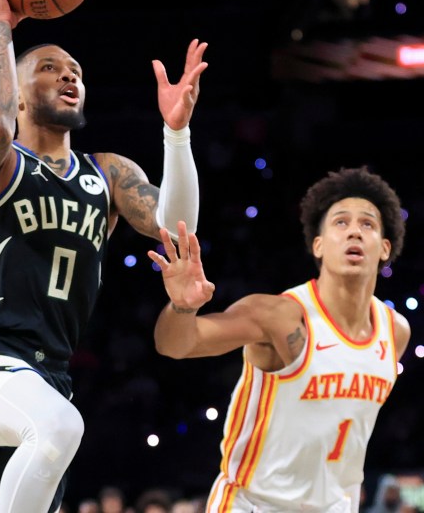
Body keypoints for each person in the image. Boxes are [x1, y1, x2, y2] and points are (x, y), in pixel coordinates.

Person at [0, 0, 208, 513]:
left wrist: (175, 133)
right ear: (19, 95)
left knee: (22, 475)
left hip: (47, 373)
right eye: (49, 68)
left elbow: (177, 225)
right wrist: (1, 26)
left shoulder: (107, 173)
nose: (68, 76)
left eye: (75, 70)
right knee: (57, 429)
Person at [148, 167, 411, 512]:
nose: (355, 233)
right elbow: (175, 345)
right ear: (318, 245)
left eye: (368, 224)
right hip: (253, 504)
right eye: (341, 223)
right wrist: (182, 307)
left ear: (384, 247)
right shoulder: (278, 315)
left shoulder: (395, 332)